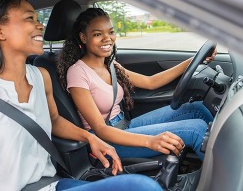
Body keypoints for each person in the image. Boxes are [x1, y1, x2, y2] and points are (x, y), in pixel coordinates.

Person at [0, 0, 163, 191]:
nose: (40, 24)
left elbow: (53, 120)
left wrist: (90, 138)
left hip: (49, 185)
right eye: (29, 18)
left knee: (143, 186)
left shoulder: (40, 76)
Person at [57, 8, 215, 161]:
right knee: (196, 129)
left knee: (197, 108)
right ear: (83, 38)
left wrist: (194, 60)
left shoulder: (111, 64)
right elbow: (101, 129)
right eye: (98, 34)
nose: (107, 38)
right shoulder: (77, 73)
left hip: (124, 125)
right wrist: (150, 141)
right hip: (107, 141)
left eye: (111, 32)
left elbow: (150, 82)